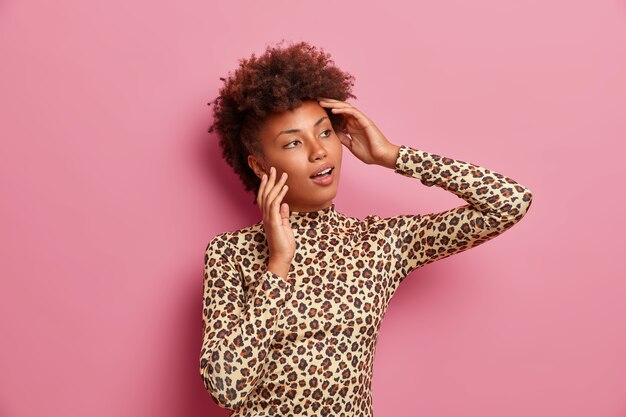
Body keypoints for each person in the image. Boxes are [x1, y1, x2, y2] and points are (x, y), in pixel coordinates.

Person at [200, 40, 533, 417]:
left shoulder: (380, 243)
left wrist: (393, 156)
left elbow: (509, 202)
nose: (318, 151)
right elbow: (226, 387)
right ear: (260, 167)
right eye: (293, 142)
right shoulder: (231, 253)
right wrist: (278, 264)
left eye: (324, 132)